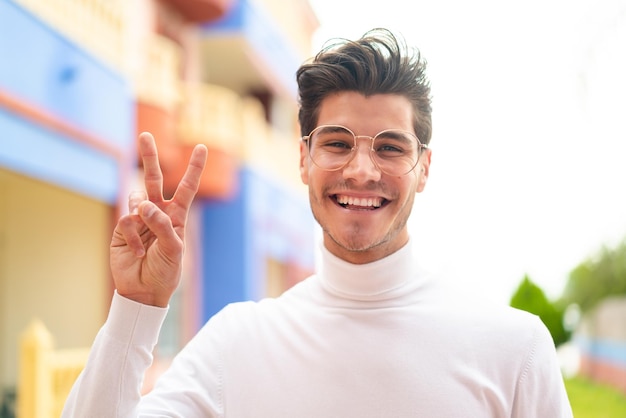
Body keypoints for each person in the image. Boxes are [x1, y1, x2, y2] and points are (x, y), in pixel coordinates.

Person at [62, 28, 573, 417]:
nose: (361, 170)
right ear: (303, 159)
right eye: (337, 142)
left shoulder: (514, 351)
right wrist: (138, 307)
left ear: (424, 169)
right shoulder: (240, 344)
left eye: (391, 147)